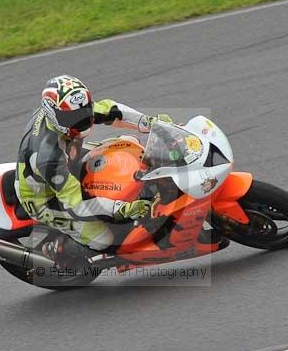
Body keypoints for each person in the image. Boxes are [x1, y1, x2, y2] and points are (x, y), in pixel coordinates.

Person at [15, 75, 172, 265]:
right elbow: (76, 205)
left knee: (129, 144)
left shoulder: (73, 109)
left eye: (85, 110)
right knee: (104, 240)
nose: (82, 120)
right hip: (46, 198)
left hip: (69, 160)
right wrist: (123, 209)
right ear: (53, 115)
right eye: (72, 118)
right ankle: (59, 249)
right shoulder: (48, 157)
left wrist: (152, 123)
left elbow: (113, 111)